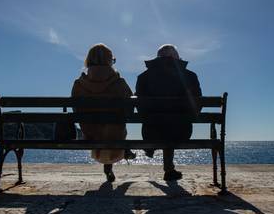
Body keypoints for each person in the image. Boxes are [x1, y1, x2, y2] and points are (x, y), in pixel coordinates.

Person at [136, 44, 202, 181]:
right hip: (182, 132)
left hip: (151, 132)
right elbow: (197, 104)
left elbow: (139, 105)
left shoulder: (143, 77)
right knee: (172, 124)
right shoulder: (190, 76)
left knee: (162, 123)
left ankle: (157, 155)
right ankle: (169, 170)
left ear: (158, 57)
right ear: (176, 57)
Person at [72, 43, 133, 182]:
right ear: (109, 60)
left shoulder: (79, 84)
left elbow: (75, 110)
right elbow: (130, 107)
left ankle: (113, 162)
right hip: (115, 132)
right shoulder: (119, 83)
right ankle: (119, 157)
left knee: (101, 128)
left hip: (90, 132)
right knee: (112, 127)